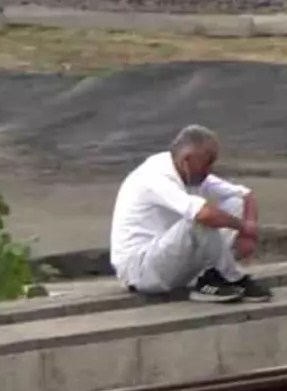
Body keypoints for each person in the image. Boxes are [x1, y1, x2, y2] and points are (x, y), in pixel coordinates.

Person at [109, 124, 272, 303]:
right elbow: (203, 215)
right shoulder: (154, 176)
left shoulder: (188, 171)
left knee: (234, 203)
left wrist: (249, 234)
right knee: (199, 219)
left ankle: (212, 277)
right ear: (187, 160)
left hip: (170, 259)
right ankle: (232, 277)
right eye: (207, 163)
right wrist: (243, 227)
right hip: (141, 270)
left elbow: (245, 195)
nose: (209, 170)